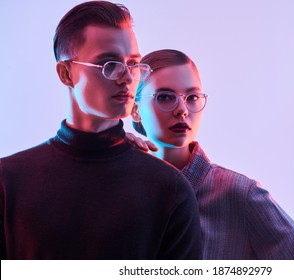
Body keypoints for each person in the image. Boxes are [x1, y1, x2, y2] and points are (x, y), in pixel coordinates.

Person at [0, 2, 202, 260]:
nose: (128, 78)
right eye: (109, 64)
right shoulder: (8, 181)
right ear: (66, 73)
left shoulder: (169, 189)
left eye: (134, 64)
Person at [131, 49, 294, 260]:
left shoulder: (238, 195)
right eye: (164, 97)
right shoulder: (123, 186)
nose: (182, 109)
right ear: (135, 109)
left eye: (192, 97)